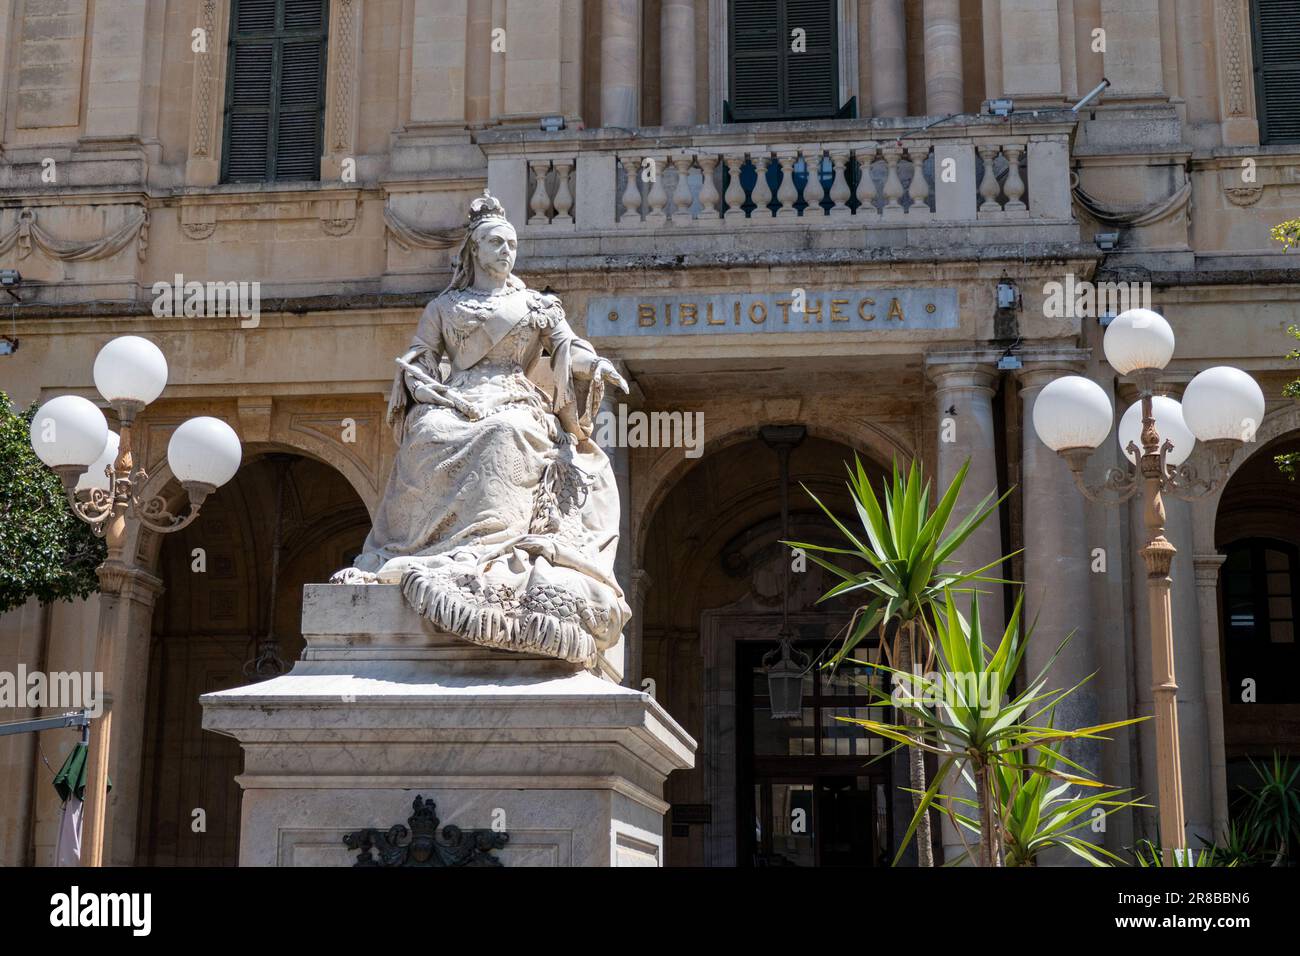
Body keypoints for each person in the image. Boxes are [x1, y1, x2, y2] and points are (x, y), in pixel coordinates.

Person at [331, 191, 629, 668]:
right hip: (458, 394)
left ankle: (489, 548)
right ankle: (426, 549)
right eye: (495, 243)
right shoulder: (444, 307)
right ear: (474, 251)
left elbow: (567, 349)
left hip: (514, 396)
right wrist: (418, 377)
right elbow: (422, 356)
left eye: (510, 244)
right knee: (426, 432)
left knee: (504, 433)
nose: (505, 252)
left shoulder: (537, 305)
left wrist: (597, 366)